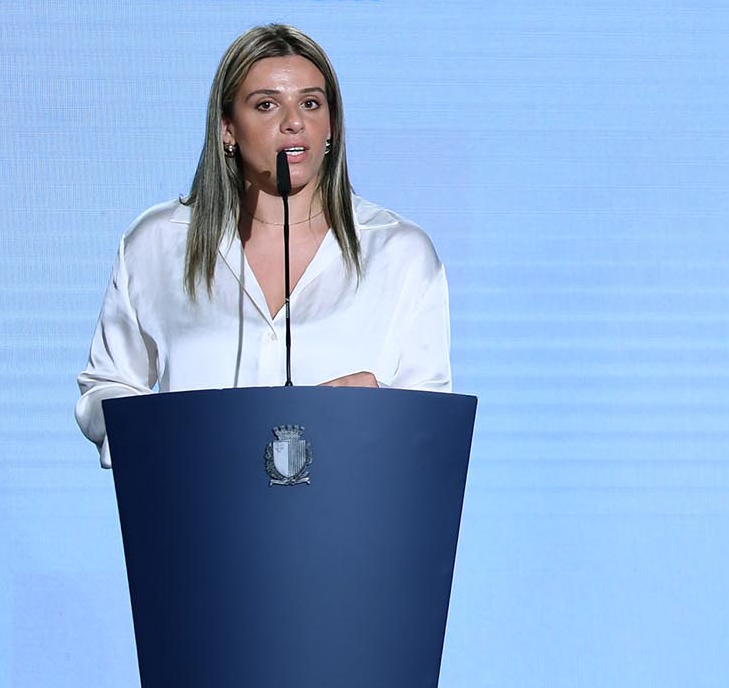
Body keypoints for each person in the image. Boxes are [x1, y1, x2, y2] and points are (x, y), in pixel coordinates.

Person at [76, 24, 450, 466]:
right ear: (228, 129)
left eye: (310, 103)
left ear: (331, 125)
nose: (294, 122)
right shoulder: (158, 242)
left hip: (350, 505)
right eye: (267, 105)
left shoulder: (400, 252)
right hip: (198, 501)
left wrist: (380, 409)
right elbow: (106, 388)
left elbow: (433, 429)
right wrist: (169, 432)